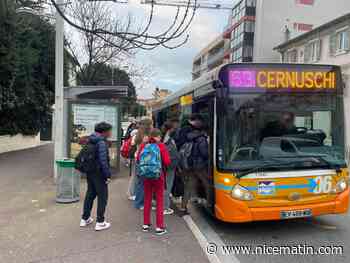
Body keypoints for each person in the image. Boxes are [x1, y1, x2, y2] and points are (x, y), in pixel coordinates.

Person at [137, 128, 171, 235]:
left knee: (147, 198)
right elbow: (167, 161)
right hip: (158, 176)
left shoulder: (144, 145)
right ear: (158, 136)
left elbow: (138, 159)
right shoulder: (161, 146)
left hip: (146, 176)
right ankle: (159, 226)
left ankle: (145, 224)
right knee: (159, 200)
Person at [80, 122, 112, 231]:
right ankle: (100, 222)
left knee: (90, 194)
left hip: (90, 171)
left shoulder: (91, 139)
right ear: (104, 132)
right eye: (109, 131)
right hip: (99, 173)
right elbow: (103, 161)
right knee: (103, 197)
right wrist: (107, 175)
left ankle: (85, 218)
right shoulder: (101, 142)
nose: (110, 133)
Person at [175, 114, 209, 214]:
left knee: (189, 185)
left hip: (187, 163)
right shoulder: (200, 137)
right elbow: (204, 153)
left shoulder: (184, 131)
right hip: (198, 165)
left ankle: (183, 207)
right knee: (207, 183)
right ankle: (210, 203)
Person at [133, 118, 153, 210]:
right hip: (144, 161)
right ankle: (139, 203)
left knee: (140, 182)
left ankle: (139, 201)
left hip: (138, 160)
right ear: (148, 126)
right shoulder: (146, 137)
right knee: (143, 183)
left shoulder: (138, 134)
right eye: (151, 124)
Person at [162, 121, 179, 215]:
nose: (175, 129)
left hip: (164, 166)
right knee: (167, 186)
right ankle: (165, 207)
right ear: (170, 129)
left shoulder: (162, 137)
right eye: (174, 127)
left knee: (164, 185)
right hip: (169, 166)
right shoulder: (169, 140)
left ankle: (161, 205)